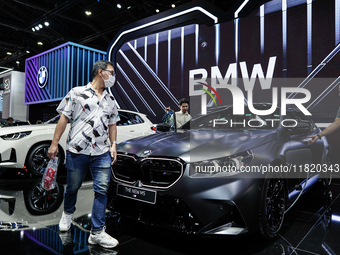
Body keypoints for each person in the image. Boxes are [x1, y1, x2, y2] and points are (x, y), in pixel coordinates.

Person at [47, 60, 120, 249]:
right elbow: (63, 119)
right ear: (101, 72)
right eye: (111, 72)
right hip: (77, 150)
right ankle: (67, 214)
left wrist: (113, 145)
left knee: (102, 189)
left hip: (102, 151)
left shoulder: (111, 100)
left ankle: (97, 232)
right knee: (73, 186)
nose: (114, 76)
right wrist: (55, 144)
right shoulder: (76, 93)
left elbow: (113, 125)